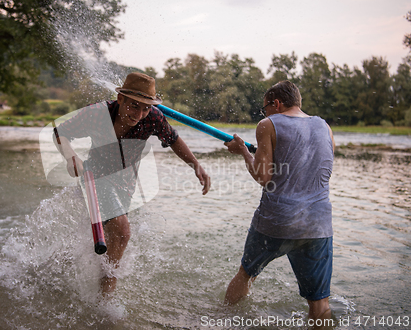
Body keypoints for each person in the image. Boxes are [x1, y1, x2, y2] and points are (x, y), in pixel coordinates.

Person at [53, 72, 211, 296]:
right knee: (123, 231)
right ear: (120, 99)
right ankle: (106, 298)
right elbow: (60, 132)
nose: (139, 114)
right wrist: (70, 156)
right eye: (134, 106)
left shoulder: (153, 118)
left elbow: (174, 139)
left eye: (145, 108)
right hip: (95, 177)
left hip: (126, 185)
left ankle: (73, 275)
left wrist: (196, 165)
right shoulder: (97, 113)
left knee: (112, 240)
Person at [223, 80, 335, 326]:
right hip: (318, 225)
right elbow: (321, 169)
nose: (264, 114)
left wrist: (242, 150)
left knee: (246, 275)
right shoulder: (324, 127)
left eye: (265, 108)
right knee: (319, 302)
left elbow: (263, 177)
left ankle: (222, 320)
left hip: (276, 222)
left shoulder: (268, 124)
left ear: (276, 103)